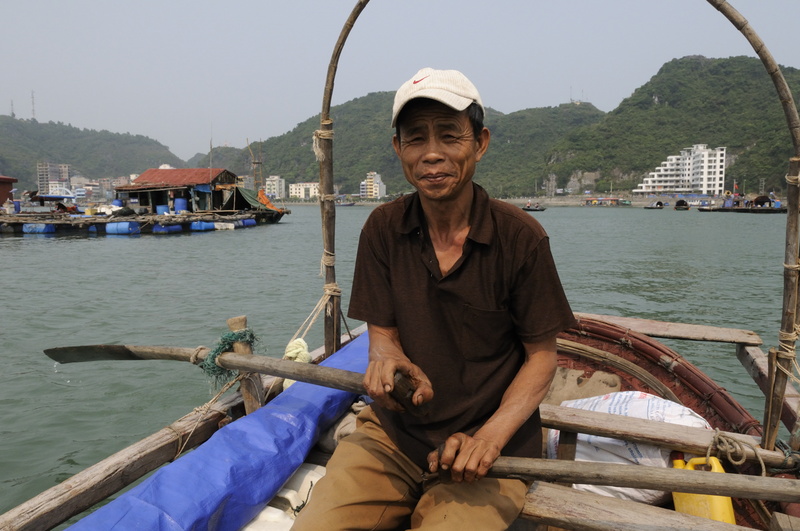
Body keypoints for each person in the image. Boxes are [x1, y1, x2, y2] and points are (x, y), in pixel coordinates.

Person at [292, 67, 576, 530]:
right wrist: (386, 359)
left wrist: (489, 438)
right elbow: (381, 336)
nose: (432, 155)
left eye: (449, 136)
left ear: (479, 143)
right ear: (398, 149)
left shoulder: (520, 237)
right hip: (394, 434)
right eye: (416, 139)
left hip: (487, 448)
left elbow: (542, 358)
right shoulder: (383, 228)